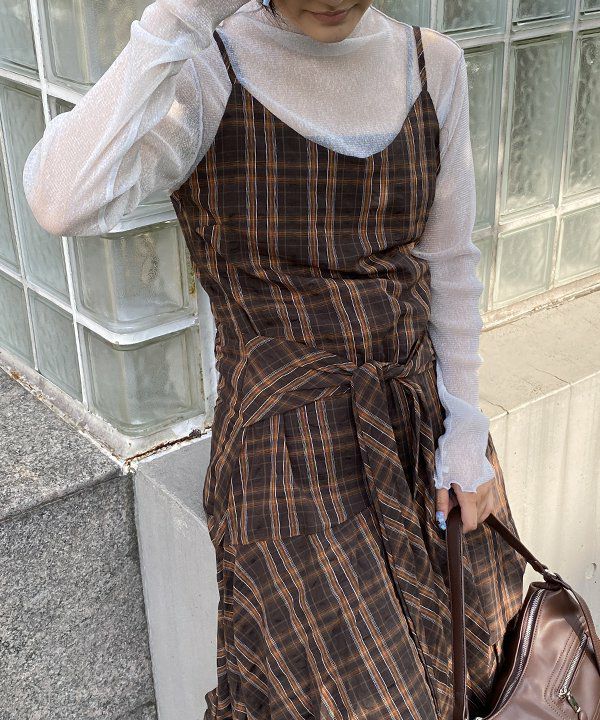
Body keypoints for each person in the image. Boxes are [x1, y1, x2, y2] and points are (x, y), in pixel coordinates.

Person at [22, 0, 527, 717]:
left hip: (421, 432)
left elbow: (449, 263)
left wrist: (468, 429)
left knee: (481, 673)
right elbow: (58, 199)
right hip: (287, 459)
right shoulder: (210, 70)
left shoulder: (431, 63)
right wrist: (181, 16)